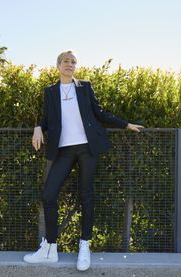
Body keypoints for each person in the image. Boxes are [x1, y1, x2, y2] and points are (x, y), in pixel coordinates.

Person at [23, 50, 143, 271]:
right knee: (49, 194)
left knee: (86, 196)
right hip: (64, 151)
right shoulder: (50, 92)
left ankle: (85, 247)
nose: (70, 64)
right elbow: (48, 119)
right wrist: (38, 127)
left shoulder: (84, 87)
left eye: (73, 62)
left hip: (87, 148)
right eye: (66, 61)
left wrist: (126, 124)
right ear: (58, 65)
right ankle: (50, 249)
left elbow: (99, 113)